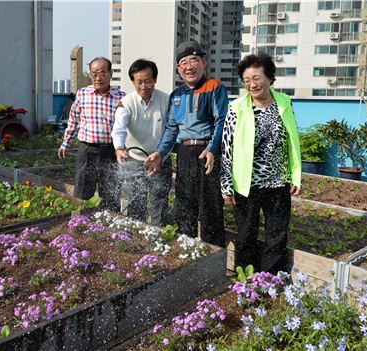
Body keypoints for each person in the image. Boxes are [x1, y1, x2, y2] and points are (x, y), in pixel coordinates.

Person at [220, 53, 301, 274]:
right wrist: (226, 184)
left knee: (277, 236)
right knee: (246, 235)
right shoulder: (236, 107)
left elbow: (292, 140)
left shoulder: (284, 102)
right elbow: (227, 148)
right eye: (246, 80)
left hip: (278, 183)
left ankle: (270, 282)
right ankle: (246, 282)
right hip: (247, 185)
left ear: (269, 77)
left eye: (256, 78)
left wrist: (295, 176)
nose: (251, 84)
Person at [143, 41, 227, 247]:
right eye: (184, 62)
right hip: (185, 153)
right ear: (178, 69)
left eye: (194, 60)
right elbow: (171, 129)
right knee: (184, 205)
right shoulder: (177, 95)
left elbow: (221, 122)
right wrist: (159, 154)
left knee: (210, 208)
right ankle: (186, 250)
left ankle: (213, 255)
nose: (189, 66)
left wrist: (212, 149)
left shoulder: (215, 88)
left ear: (203, 62)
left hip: (208, 153)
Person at [58, 57, 125, 212]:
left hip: (110, 151)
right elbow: (73, 121)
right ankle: (80, 222)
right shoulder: (82, 94)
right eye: (94, 73)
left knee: (111, 192)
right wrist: (65, 143)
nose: (98, 77)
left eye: (102, 73)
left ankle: (110, 226)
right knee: (82, 189)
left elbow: (126, 126)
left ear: (111, 74)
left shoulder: (121, 97)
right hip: (87, 150)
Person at [111, 59, 171, 226]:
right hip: (135, 160)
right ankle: (137, 237)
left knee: (159, 204)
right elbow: (119, 129)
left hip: (160, 159)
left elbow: (171, 130)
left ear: (155, 79)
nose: (144, 86)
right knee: (136, 204)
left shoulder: (166, 100)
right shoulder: (127, 103)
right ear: (133, 81)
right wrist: (119, 149)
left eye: (148, 81)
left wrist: (160, 155)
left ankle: (160, 239)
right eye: (139, 82)